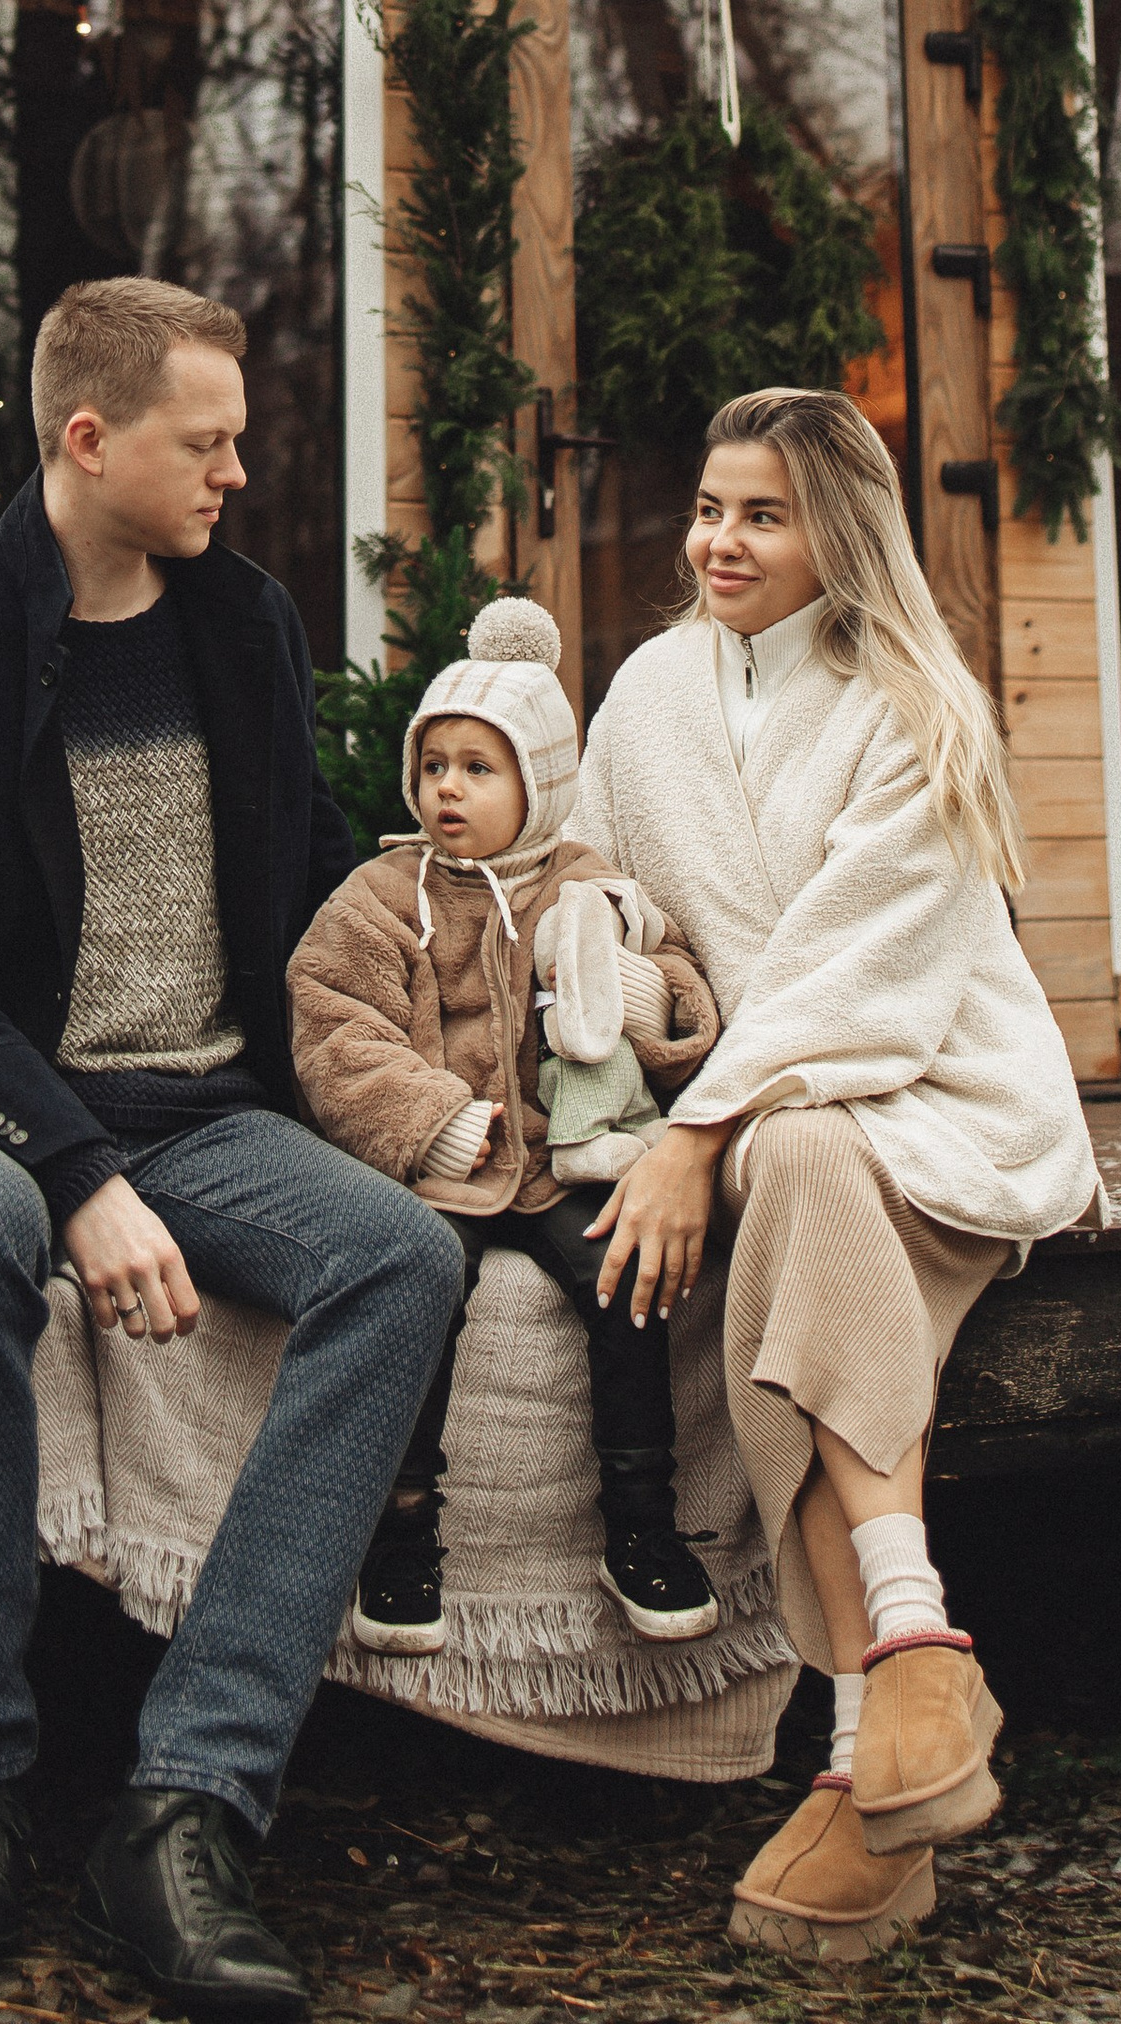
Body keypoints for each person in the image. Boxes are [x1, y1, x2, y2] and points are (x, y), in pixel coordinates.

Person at [0, 277, 464, 2013]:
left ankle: (188, 1801)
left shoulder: (248, 625)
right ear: (91, 439)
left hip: (207, 1103)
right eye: (206, 443)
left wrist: (452, 1031)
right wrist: (79, 1177)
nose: (236, 473)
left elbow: (303, 876)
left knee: (405, 1258)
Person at [571, 387, 1102, 1965]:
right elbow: (610, 894)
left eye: (765, 516)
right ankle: (910, 1661)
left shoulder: (913, 708)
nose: (721, 542)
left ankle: (868, 1723)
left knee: (801, 1153)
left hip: (938, 1094)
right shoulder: (648, 693)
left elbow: (864, 971)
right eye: (713, 509)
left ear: (840, 535)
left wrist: (696, 1137)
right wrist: (647, 1002)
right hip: (760, 1106)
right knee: (798, 1154)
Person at [288, 596, 725, 1659]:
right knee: (419, 1282)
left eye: (478, 768)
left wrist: (633, 994)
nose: (448, 788)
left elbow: (681, 991)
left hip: (567, 1162)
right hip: (449, 1166)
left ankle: (641, 1521)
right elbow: (334, 1024)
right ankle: (400, 1533)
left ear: (541, 784)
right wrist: (432, 1124)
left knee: (623, 1275)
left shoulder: (592, 887)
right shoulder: (382, 895)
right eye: (433, 765)